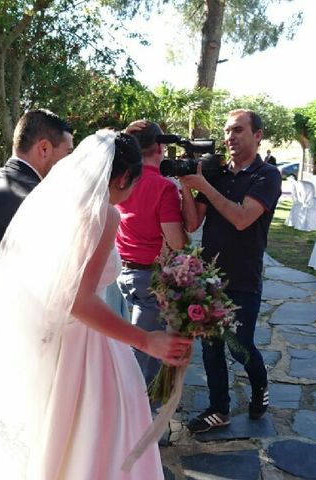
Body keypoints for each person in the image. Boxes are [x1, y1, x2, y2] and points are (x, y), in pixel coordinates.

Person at [0, 130, 192, 480]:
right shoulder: (103, 214)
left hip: (42, 337)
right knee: (96, 432)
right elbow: (77, 301)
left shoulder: (57, 206)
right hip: (84, 347)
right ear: (121, 177)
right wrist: (145, 340)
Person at [180, 110, 281, 433]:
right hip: (210, 276)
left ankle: (260, 385)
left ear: (258, 135)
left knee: (239, 346)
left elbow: (241, 218)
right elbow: (193, 223)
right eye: (226, 131)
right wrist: (187, 185)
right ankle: (218, 408)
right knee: (210, 346)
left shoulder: (267, 176)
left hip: (243, 277)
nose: (230, 137)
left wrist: (205, 187)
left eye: (238, 130)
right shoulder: (218, 175)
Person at [0, 109, 73, 341]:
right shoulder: (40, 196)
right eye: (67, 154)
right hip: (13, 333)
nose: (70, 164)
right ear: (44, 148)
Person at [116, 120, 187, 386]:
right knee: (144, 356)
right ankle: (140, 414)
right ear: (160, 147)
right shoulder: (163, 187)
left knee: (129, 344)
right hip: (150, 279)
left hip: (122, 273)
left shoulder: (121, 178)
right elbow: (176, 241)